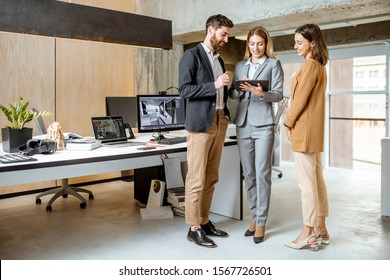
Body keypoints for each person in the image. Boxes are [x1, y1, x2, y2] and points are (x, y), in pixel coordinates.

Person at [178, 14, 234, 248]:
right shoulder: (190, 56)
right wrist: (214, 85)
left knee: (211, 176)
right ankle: (193, 228)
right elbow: (184, 90)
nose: (226, 39)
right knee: (197, 178)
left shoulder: (219, 60)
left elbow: (218, 92)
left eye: (228, 35)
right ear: (211, 30)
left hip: (220, 120)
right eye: (224, 34)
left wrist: (228, 90)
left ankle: (204, 220)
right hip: (201, 125)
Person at [229, 26, 284, 244]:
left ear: (266, 44)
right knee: (249, 175)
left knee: (262, 174)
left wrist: (262, 93)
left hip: (263, 126)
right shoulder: (241, 65)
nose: (256, 47)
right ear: (247, 45)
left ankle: (261, 221)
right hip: (243, 124)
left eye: (259, 43)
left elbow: (278, 94)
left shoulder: (273, 64)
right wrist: (238, 89)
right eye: (252, 44)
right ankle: (253, 217)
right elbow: (233, 93)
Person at [283, 23, 330, 251]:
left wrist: (287, 122)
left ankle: (308, 231)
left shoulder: (310, 66)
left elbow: (299, 100)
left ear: (313, 42)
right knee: (317, 180)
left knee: (307, 185)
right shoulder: (319, 66)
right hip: (314, 131)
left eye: (300, 42)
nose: (295, 46)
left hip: (303, 130)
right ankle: (321, 226)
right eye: (295, 42)